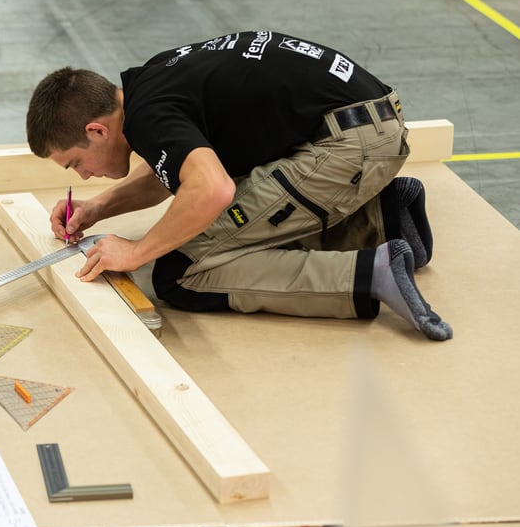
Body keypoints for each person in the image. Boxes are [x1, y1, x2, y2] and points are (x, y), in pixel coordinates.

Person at [25, 30, 452, 341]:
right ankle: (384, 217)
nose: (82, 176)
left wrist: (136, 251)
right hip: (367, 125)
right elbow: (175, 169)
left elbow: (212, 189)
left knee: (180, 273)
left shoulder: (149, 117)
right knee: (213, 212)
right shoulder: (149, 84)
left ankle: (369, 275)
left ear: (97, 130)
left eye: (76, 163)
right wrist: (99, 207)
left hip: (348, 146)